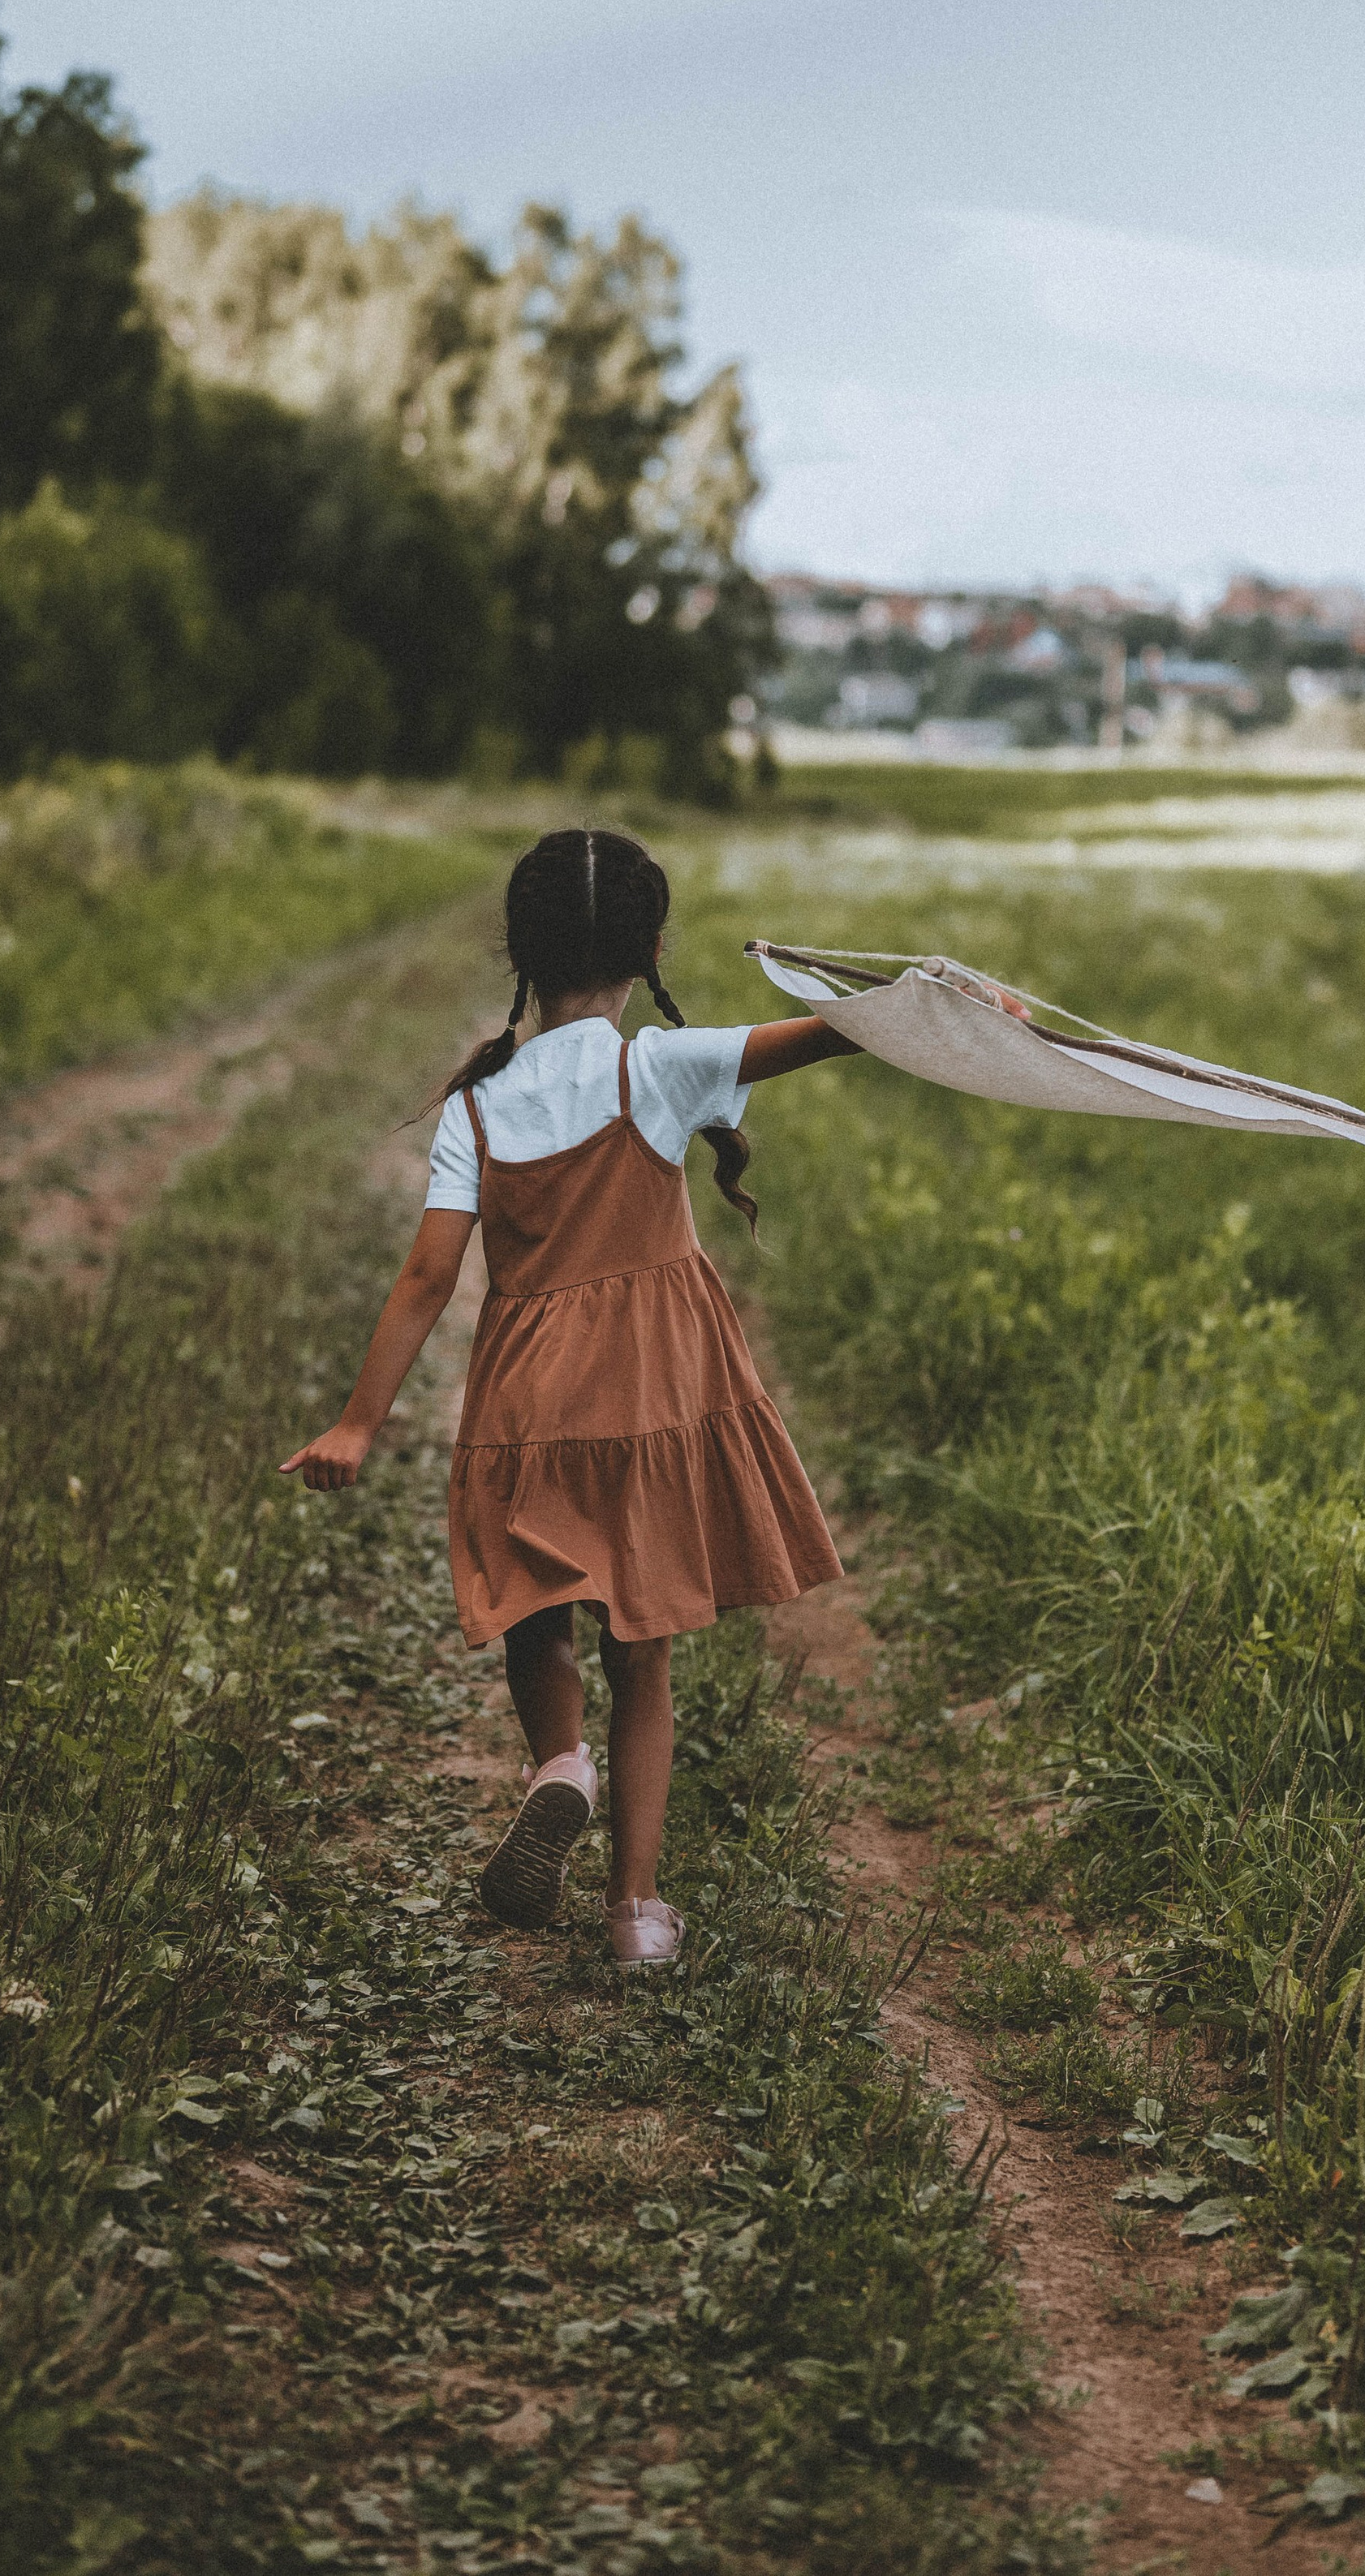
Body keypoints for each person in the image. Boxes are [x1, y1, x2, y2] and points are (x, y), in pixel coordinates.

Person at [280, 826, 860, 1970]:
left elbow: (427, 1276)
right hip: (648, 1392)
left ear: (521, 951)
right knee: (642, 1651)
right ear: (649, 946)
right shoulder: (663, 1065)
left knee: (537, 1616)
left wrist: (359, 1421)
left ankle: (560, 1766)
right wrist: (948, 1003)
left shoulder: (480, 1106)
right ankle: (637, 1910)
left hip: (527, 1400)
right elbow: (837, 1035)